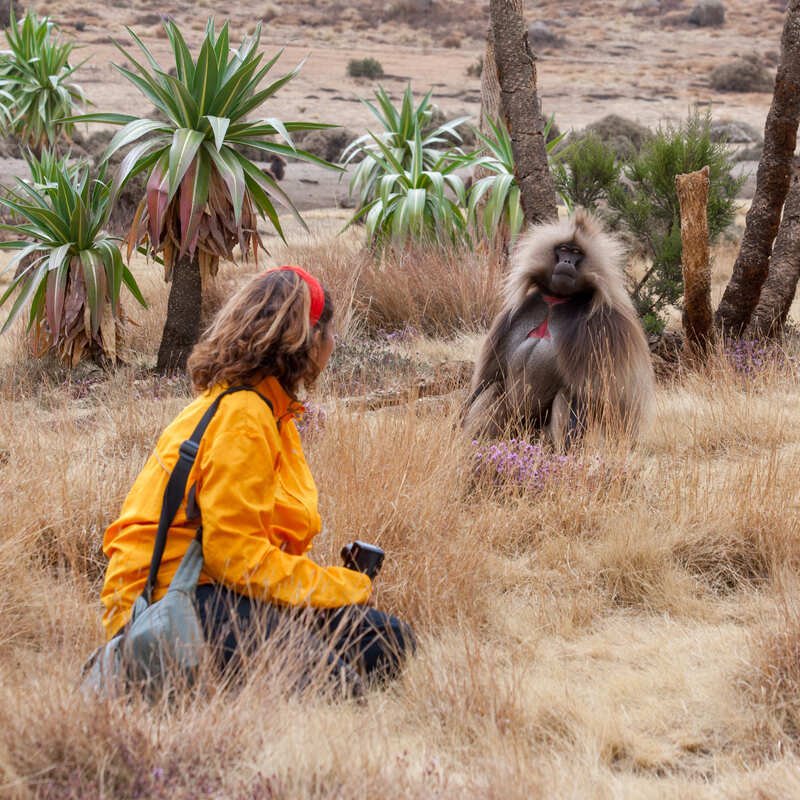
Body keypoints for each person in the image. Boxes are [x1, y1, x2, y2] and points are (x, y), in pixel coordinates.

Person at [101, 266, 415, 693]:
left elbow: (256, 550)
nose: (334, 344)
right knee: (336, 688)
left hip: (223, 592)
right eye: (329, 333)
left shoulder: (271, 411)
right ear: (306, 340)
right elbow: (234, 556)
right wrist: (336, 586)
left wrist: (328, 592)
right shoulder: (245, 415)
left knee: (390, 641)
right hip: (174, 605)